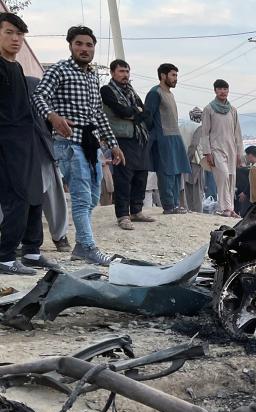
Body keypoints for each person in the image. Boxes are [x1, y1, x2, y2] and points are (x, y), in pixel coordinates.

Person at [32, 25, 126, 266]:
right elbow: (38, 96)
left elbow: (98, 113)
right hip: (68, 143)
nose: (84, 49)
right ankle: (87, 246)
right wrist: (52, 116)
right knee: (83, 198)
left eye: (89, 45)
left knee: (94, 197)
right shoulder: (60, 70)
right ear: (70, 46)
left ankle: (81, 246)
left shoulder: (92, 76)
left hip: (90, 143)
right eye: (79, 44)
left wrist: (113, 144)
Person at [0, 13, 59, 274]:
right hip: (7, 142)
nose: (16, 39)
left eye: (20, 34)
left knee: (35, 194)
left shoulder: (17, 67)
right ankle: (5, 257)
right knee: (17, 197)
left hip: (28, 140)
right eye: (9, 32)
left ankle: (32, 251)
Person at [100, 59, 154, 230]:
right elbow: (119, 111)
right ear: (113, 72)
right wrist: (135, 112)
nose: (125, 75)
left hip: (138, 138)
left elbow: (146, 114)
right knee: (124, 178)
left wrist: (134, 113)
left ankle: (136, 211)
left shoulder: (131, 91)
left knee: (140, 175)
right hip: (121, 138)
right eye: (121, 71)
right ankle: (123, 215)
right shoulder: (107, 90)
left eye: (127, 72)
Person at [22, 76, 69, 252]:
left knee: (52, 193)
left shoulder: (34, 83)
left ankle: (60, 235)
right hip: (12, 152)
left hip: (41, 147)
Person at [144, 63, 191, 214]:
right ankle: (169, 206)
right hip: (162, 138)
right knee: (166, 173)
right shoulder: (154, 93)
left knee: (177, 172)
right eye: (173, 75)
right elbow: (148, 117)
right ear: (163, 76)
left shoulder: (170, 93)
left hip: (175, 137)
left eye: (176, 75)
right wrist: (156, 136)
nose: (175, 79)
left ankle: (176, 204)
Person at [198, 79, 244, 217]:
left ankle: (230, 209)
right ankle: (225, 208)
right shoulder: (208, 109)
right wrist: (207, 152)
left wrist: (239, 153)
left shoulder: (233, 110)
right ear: (215, 91)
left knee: (231, 178)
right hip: (216, 149)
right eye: (220, 89)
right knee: (223, 176)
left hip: (231, 149)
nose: (223, 91)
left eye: (225, 89)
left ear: (228, 91)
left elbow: (238, 133)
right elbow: (204, 133)